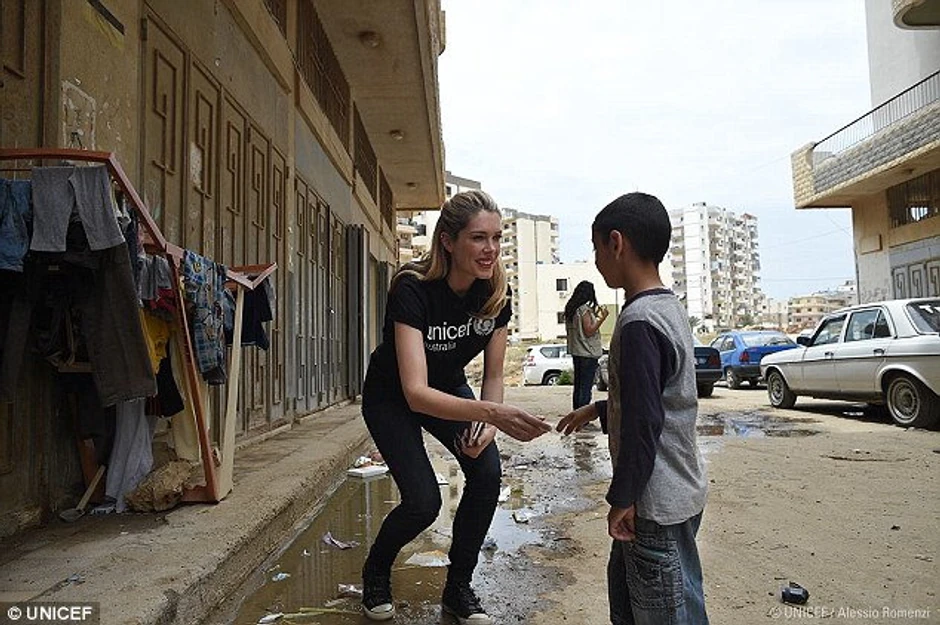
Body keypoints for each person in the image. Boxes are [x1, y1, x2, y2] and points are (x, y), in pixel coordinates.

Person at [359, 189, 552, 623]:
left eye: (497, 238)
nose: (491, 250)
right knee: (424, 501)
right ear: (448, 240)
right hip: (393, 396)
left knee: (486, 473)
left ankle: (458, 588)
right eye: (479, 238)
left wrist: (489, 421)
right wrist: (492, 414)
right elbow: (414, 391)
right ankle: (375, 571)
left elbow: (495, 375)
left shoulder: (495, 295)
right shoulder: (413, 287)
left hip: (447, 388)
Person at [557, 192, 709, 625]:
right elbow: (660, 399)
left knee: (663, 613)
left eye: (596, 248)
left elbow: (645, 422)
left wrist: (622, 498)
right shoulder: (668, 308)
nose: (597, 260)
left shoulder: (638, 321)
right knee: (643, 603)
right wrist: (600, 410)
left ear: (617, 243)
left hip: (652, 504)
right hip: (677, 492)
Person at [564, 280, 609, 410]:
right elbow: (589, 330)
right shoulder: (584, 310)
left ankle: (576, 415)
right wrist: (602, 318)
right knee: (585, 387)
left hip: (576, 351)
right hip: (587, 353)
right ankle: (583, 419)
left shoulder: (571, 309)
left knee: (578, 386)